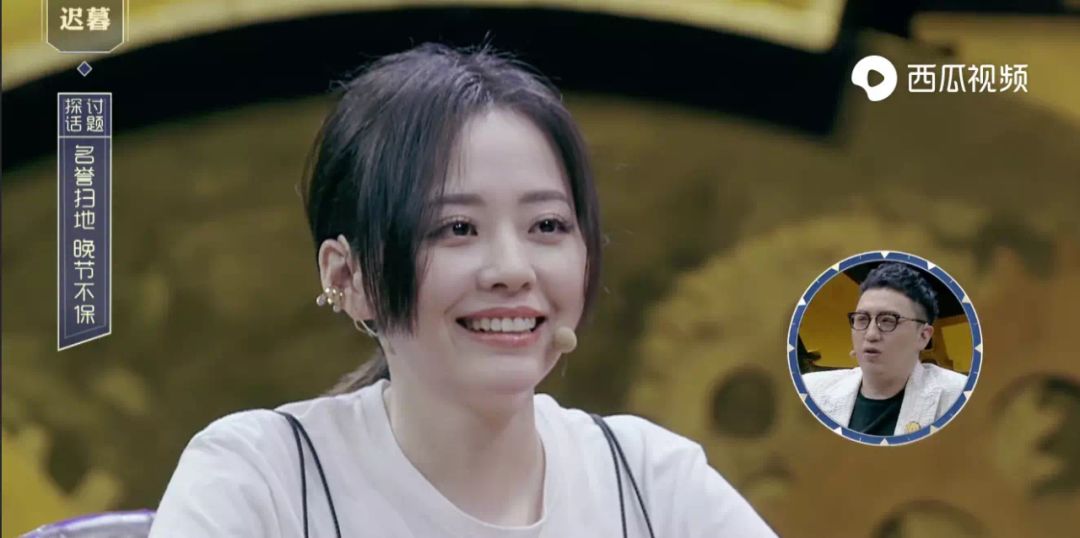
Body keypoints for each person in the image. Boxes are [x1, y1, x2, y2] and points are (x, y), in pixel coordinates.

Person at [148, 43, 775, 537]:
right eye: (456, 228)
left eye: (547, 226)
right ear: (347, 277)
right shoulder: (263, 480)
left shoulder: (649, 482)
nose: (512, 269)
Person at [802, 262, 967, 436]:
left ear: (923, 336)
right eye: (862, 319)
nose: (871, 334)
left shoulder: (959, 397)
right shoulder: (810, 390)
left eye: (888, 320)